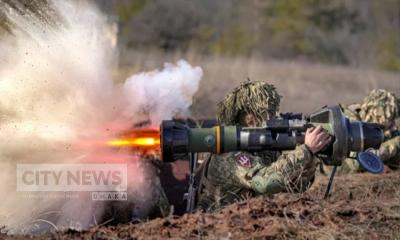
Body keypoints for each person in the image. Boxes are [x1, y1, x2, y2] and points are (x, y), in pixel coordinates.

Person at [195, 81, 331, 211]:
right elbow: (266, 183)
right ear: (250, 120)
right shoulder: (229, 154)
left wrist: (310, 155)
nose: (274, 117)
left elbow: (297, 186)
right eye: (267, 113)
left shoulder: (260, 148)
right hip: (216, 227)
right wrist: (305, 150)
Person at [340, 89, 400, 173]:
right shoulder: (348, 123)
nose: (394, 126)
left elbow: (395, 163)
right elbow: (356, 162)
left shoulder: (377, 131)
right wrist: (395, 144)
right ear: (378, 115)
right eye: (391, 120)